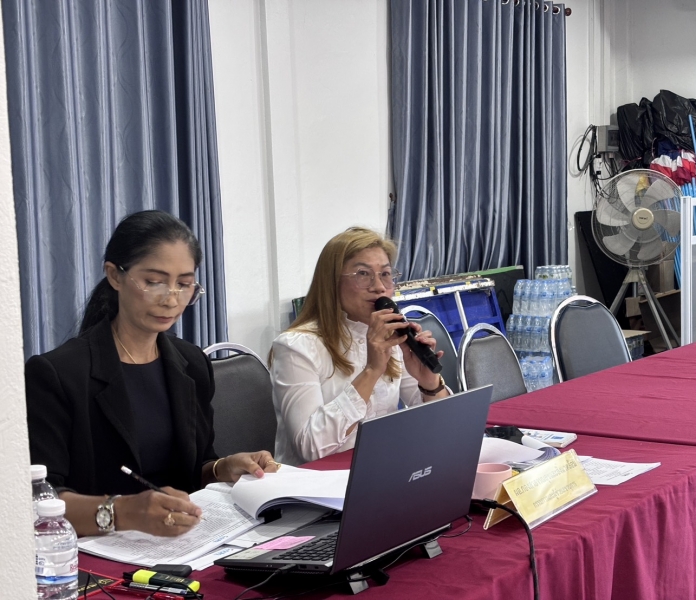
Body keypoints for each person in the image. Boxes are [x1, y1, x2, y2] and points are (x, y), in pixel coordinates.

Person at [25, 210, 279, 537]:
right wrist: (125, 511)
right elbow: (40, 499)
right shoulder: (57, 374)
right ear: (115, 276)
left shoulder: (191, 363)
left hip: (181, 541)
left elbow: (192, 470)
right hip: (95, 551)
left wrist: (221, 467)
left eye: (184, 285)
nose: (171, 299)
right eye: (154, 282)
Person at [270, 227, 450, 466]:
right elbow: (311, 448)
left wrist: (429, 384)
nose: (379, 287)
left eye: (385, 274)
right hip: (318, 481)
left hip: (381, 467)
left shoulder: (392, 335)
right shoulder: (296, 347)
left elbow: (444, 428)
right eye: (363, 274)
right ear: (332, 282)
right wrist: (372, 371)